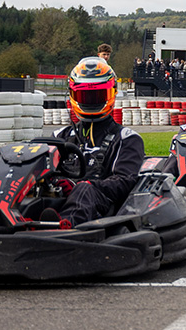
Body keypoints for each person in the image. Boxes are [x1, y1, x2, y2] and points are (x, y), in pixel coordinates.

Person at [49, 56, 144, 228]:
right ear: (72, 95)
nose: (91, 102)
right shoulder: (59, 136)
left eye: (98, 95)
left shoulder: (127, 138)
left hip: (102, 206)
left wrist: (81, 185)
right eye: (85, 96)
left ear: (112, 93)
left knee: (85, 189)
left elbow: (124, 182)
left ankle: (64, 228)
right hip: (59, 199)